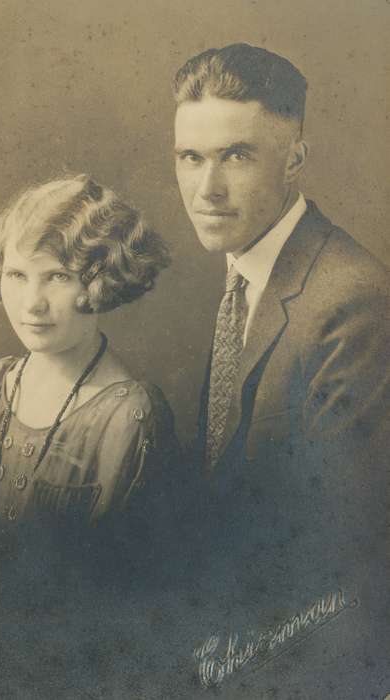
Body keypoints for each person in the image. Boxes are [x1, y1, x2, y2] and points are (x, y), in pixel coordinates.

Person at [173, 43, 390, 694]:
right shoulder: (246, 269)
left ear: (295, 158)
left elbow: (336, 554)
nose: (206, 190)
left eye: (237, 156)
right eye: (190, 158)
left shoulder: (352, 303)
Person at [0, 174, 177, 555]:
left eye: (57, 276)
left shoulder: (129, 420)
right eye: (17, 275)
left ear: (102, 280)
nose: (32, 303)